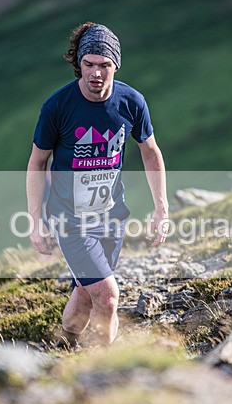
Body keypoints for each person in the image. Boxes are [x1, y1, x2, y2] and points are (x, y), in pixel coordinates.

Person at [26, 22, 168, 346]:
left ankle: (66, 346)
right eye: (88, 64)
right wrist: (36, 220)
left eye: (104, 65)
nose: (96, 73)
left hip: (111, 216)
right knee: (107, 295)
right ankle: (104, 371)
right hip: (69, 219)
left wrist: (162, 208)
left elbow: (150, 151)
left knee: (86, 292)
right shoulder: (57, 107)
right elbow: (37, 162)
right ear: (79, 63)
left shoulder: (131, 102)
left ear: (115, 65)